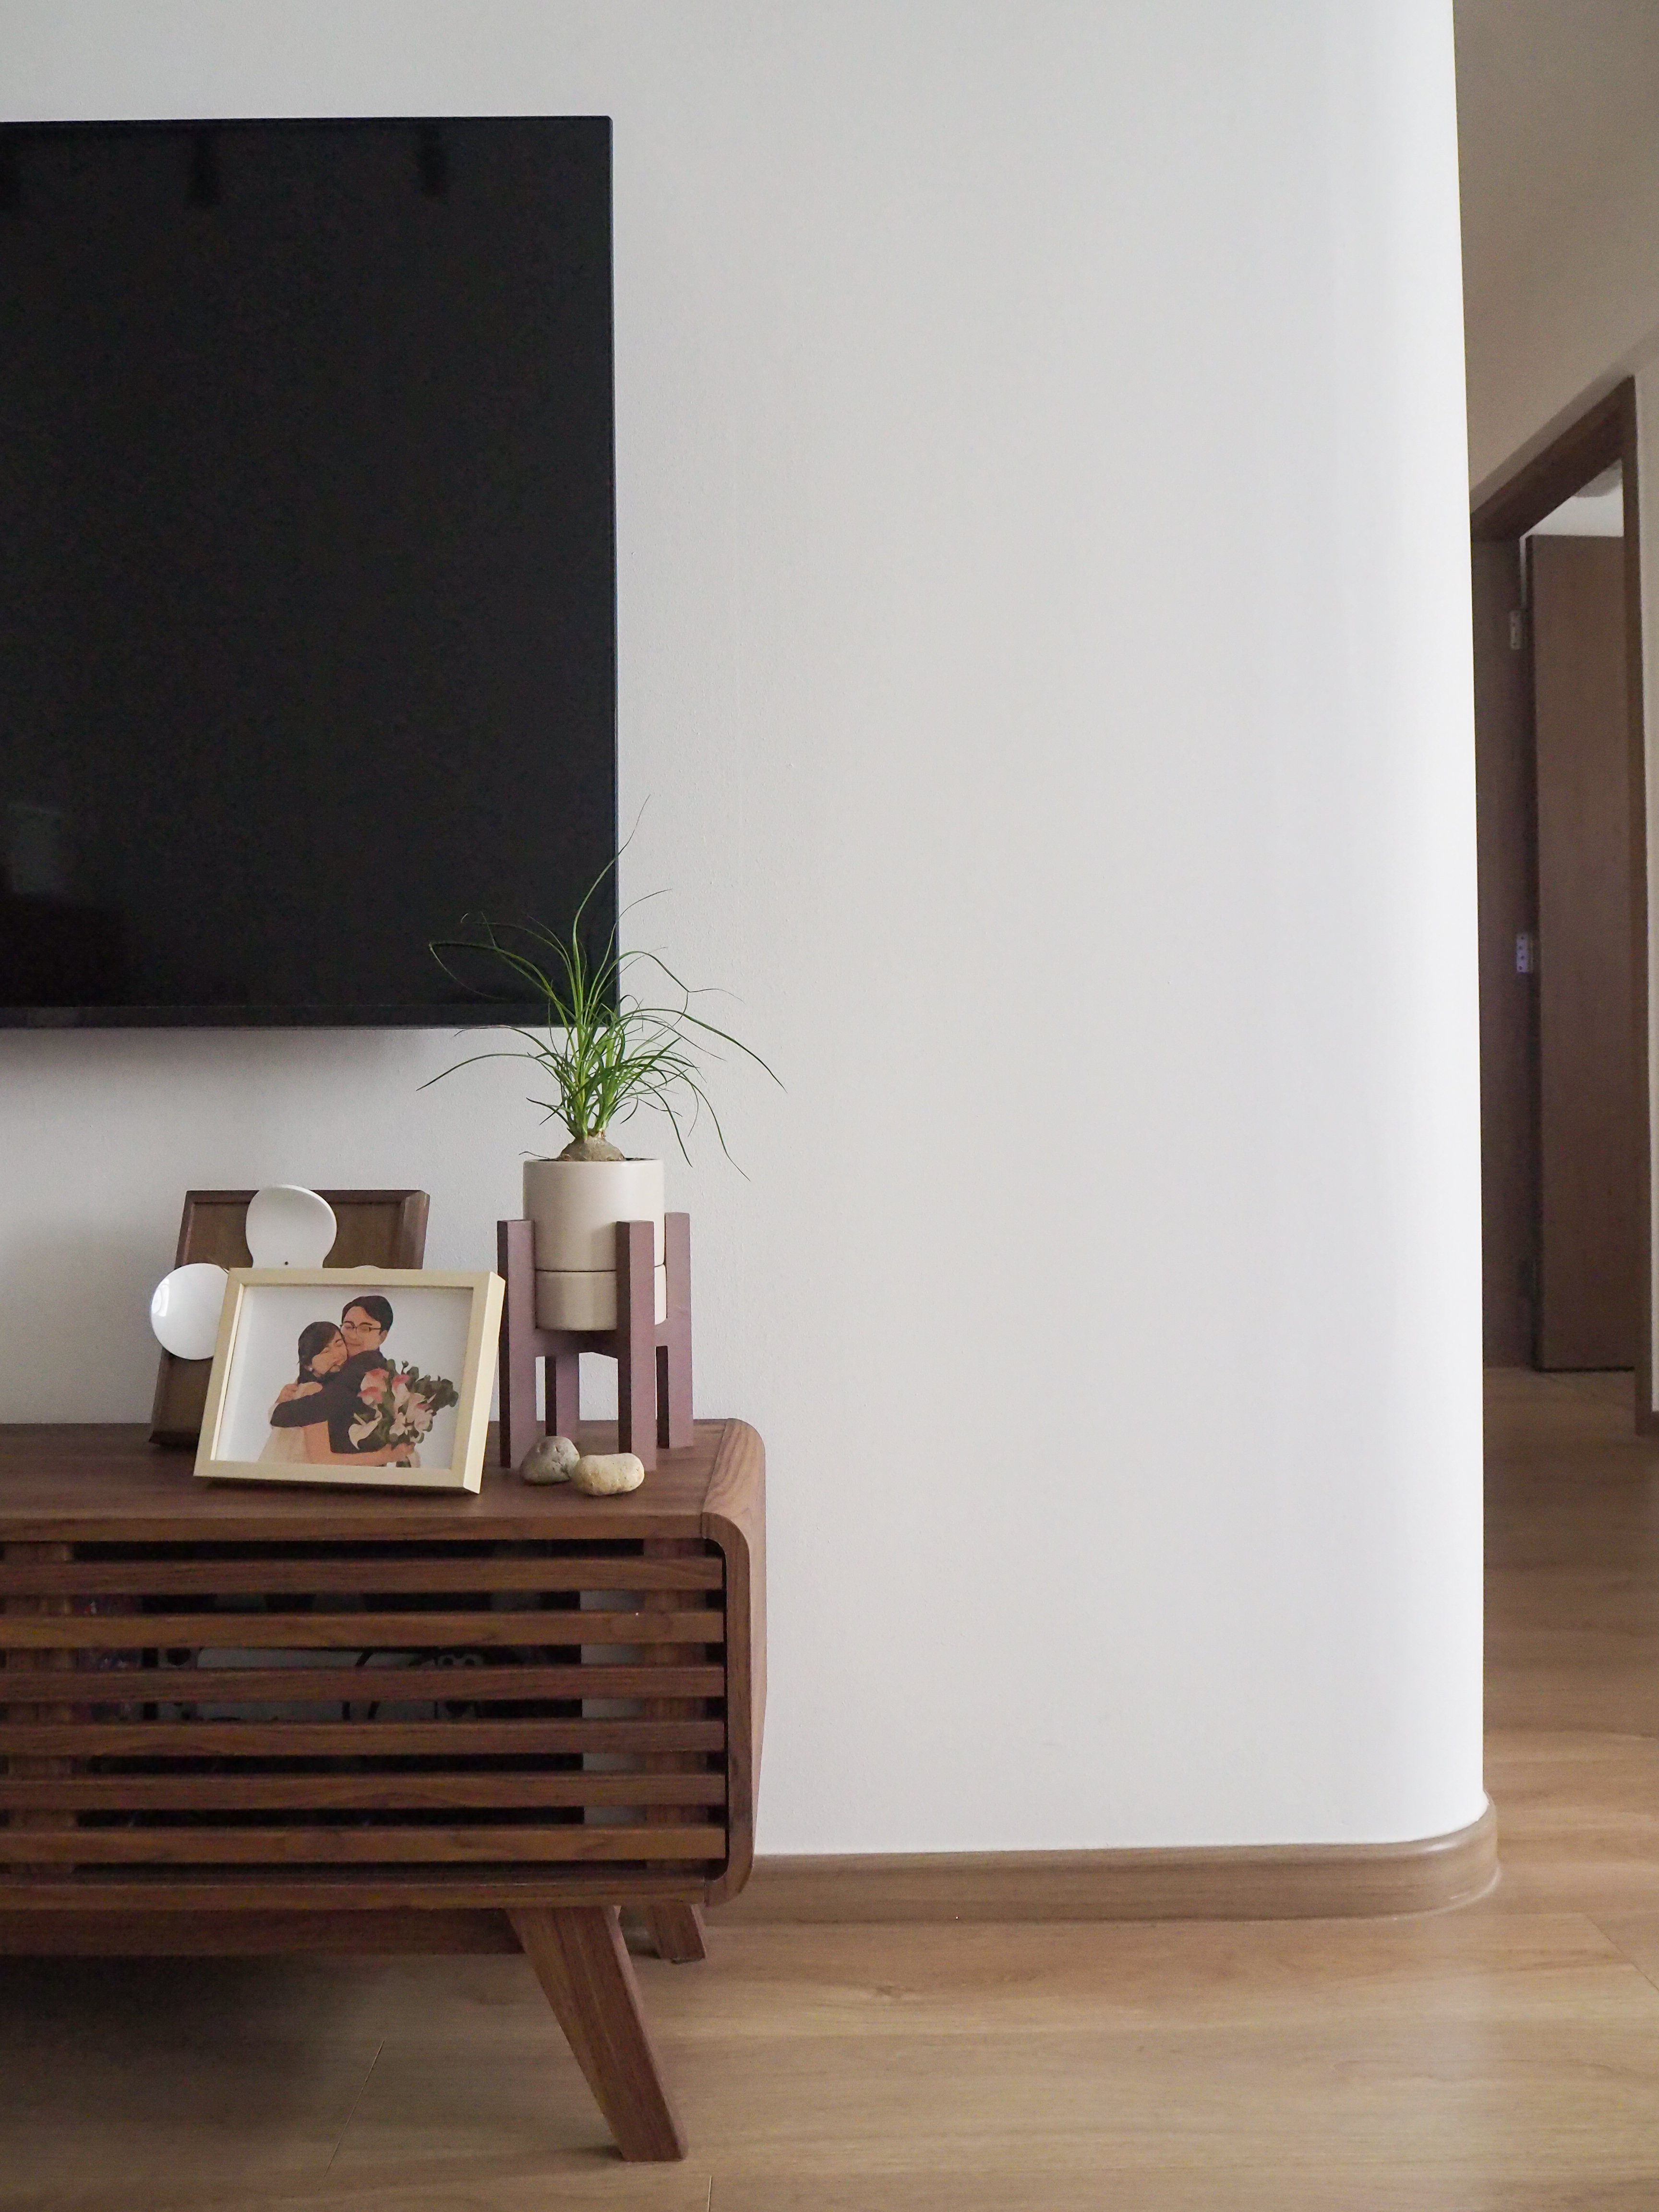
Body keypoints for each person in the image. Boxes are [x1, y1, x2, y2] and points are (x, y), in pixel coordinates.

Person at [266, 1294, 412, 1465]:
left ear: (383, 1336)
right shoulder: (334, 1369)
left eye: (365, 1329)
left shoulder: (366, 1366)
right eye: (349, 1327)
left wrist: (276, 1410)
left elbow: (318, 1407)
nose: (353, 1336)